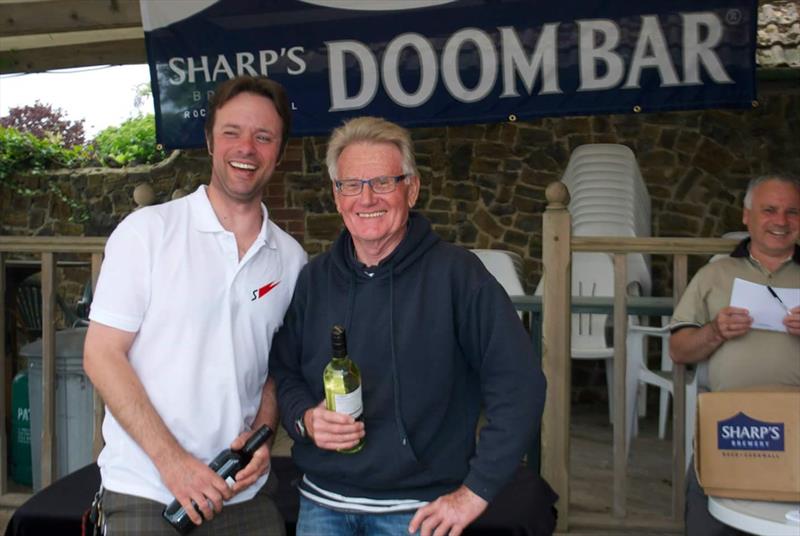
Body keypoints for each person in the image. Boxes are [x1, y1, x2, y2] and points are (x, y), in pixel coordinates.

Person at [270, 116, 553, 536]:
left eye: (383, 181)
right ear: (336, 195)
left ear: (412, 188)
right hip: (321, 508)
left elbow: (520, 384)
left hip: (418, 514)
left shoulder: (458, 276)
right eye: (351, 184)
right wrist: (305, 419)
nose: (366, 198)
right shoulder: (314, 280)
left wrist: (476, 491)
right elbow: (285, 371)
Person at [83, 75, 307, 534]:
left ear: (279, 153)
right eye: (232, 132)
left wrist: (262, 436)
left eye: (263, 137)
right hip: (148, 491)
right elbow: (101, 355)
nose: (246, 147)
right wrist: (174, 463)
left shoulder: (291, 259)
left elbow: (275, 369)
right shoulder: (147, 233)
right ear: (209, 141)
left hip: (241, 493)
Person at [669, 174, 800, 536]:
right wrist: (714, 331)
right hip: (730, 428)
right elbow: (678, 350)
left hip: (799, 430)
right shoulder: (715, 274)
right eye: (770, 210)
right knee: (710, 523)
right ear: (747, 216)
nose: (781, 221)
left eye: (792, 212)